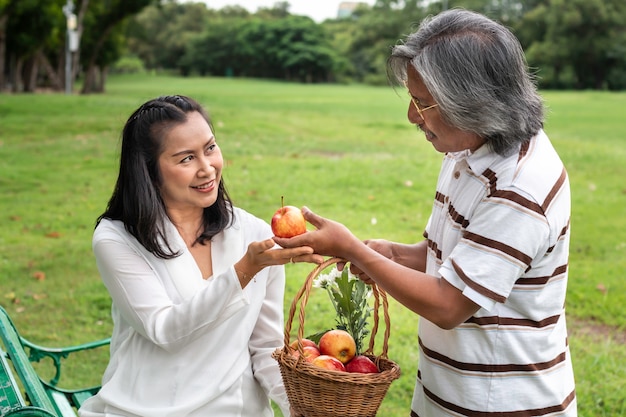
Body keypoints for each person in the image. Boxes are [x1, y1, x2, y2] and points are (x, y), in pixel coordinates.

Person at [274, 9, 577, 417]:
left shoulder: (520, 185)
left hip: (501, 404)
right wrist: (396, 255)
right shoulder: (467, 149)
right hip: (448, 393)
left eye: (422, 102)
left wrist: (358, 252)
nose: (412, 116)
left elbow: (449, 304)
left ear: (471, 102)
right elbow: (461, 257)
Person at [79, 95, 321, 417]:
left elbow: (265, 348)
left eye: (210, 148)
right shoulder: (117, 238)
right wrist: (243, 271)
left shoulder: (255, 233)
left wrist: (298, 406)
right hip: (146, 409)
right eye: (185, 159)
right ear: (149, 172)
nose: (207, 169)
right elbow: (164, 331)